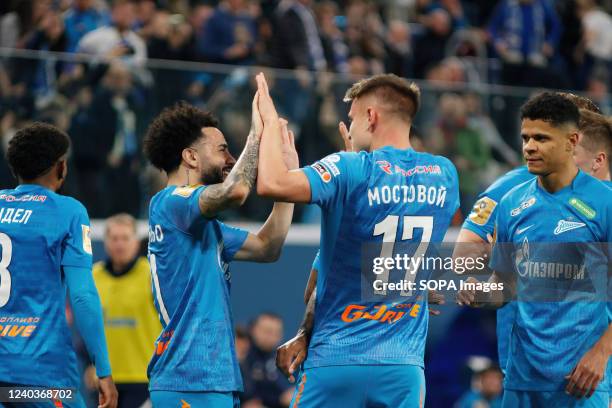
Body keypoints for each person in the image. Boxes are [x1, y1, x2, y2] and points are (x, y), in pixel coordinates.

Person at [255, 72, 460, 407]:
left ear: (371, 116)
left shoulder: (351, 168)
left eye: (352, 118)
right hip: (402, 368)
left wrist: (265, 120)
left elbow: (272, 184)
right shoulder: (445, 174)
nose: (349, 128)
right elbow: (399, 245)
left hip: (336, 360)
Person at [457, 92, 611, 407]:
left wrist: (601, 353)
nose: (529, 146)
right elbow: (505, 286)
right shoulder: (511, 202)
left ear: (571, 141)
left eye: (541, 138)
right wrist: (480, 292)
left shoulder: (605, 203)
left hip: (582, 378)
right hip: (521, 378)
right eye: (526, 137)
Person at [143, 99, 296, 407]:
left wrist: (288, 178)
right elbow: (236, 191)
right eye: (222, 149)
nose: (231, 158)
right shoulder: (171, 202)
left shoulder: (204, 227)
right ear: (190, 157)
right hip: (189, 378)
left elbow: (269, 247)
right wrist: (257, 133)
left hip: (214, 380)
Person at [0, 122, 117, 408]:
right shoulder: (69, 211)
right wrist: (102, 369)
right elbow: (82, 296)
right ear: (60, 167)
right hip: (41, 374)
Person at [89, 213, 162, 407]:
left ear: (136, 242)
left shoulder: (151, 274)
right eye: (114, 239)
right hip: (105, 378)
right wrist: (90, 363)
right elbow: (87, 327)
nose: (119, 244)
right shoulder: (94, 276)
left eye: (125, 238)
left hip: (144, 378)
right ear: (105, 243)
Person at [242, 313, 293, 408]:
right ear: (253, 329)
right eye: (267, 331)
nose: (271, 337)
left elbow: (286, 392)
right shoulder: (242, 354)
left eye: (277, 333)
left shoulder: (282, 359)